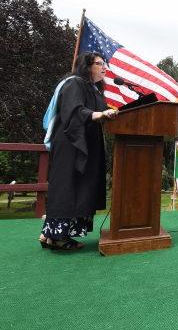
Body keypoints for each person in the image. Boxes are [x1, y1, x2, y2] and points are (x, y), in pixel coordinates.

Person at [39, 52, 118, 251]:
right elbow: (74, 111)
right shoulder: (74, 83)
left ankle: (51, 234)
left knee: (80, 188)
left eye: (104, 64)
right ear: (87, 66)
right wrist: (99, 114)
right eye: (99, 64)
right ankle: (56, 237)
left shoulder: (94, 89)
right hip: (71, 144)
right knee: (67, 186)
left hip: (86, 144)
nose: (104, 68)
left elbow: (100, 111)